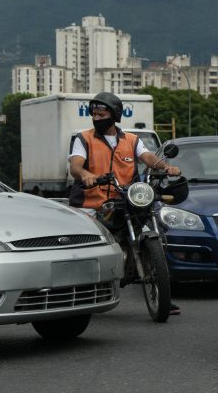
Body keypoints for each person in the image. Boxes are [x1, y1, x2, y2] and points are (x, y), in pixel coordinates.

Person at [68, 92, 183, 313]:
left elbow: (148, 157)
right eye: (94, 114)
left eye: (101, 114)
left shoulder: (131, 140)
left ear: (114, 115)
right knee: (86, 246)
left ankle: (162, 291)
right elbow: (75, 165)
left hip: (125, 198)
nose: (97, 118)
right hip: (92, 203)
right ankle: (82, 292)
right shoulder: (84, 138)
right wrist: (85, 175)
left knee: (154, 233)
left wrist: (166, 167)